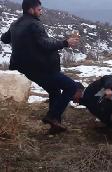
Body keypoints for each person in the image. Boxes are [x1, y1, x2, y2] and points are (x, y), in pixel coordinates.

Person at [1, 0, 80, 134]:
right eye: (39, 9)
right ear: (31, 10)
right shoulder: (34, 24)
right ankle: (52, 116)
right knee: (71, 86)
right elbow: (46, 44)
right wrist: (65, 42)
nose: (41, 11)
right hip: (42, 68)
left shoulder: (15, 24)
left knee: (54, 91)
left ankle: (55, 125)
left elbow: (4, 38)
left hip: (26, 69)